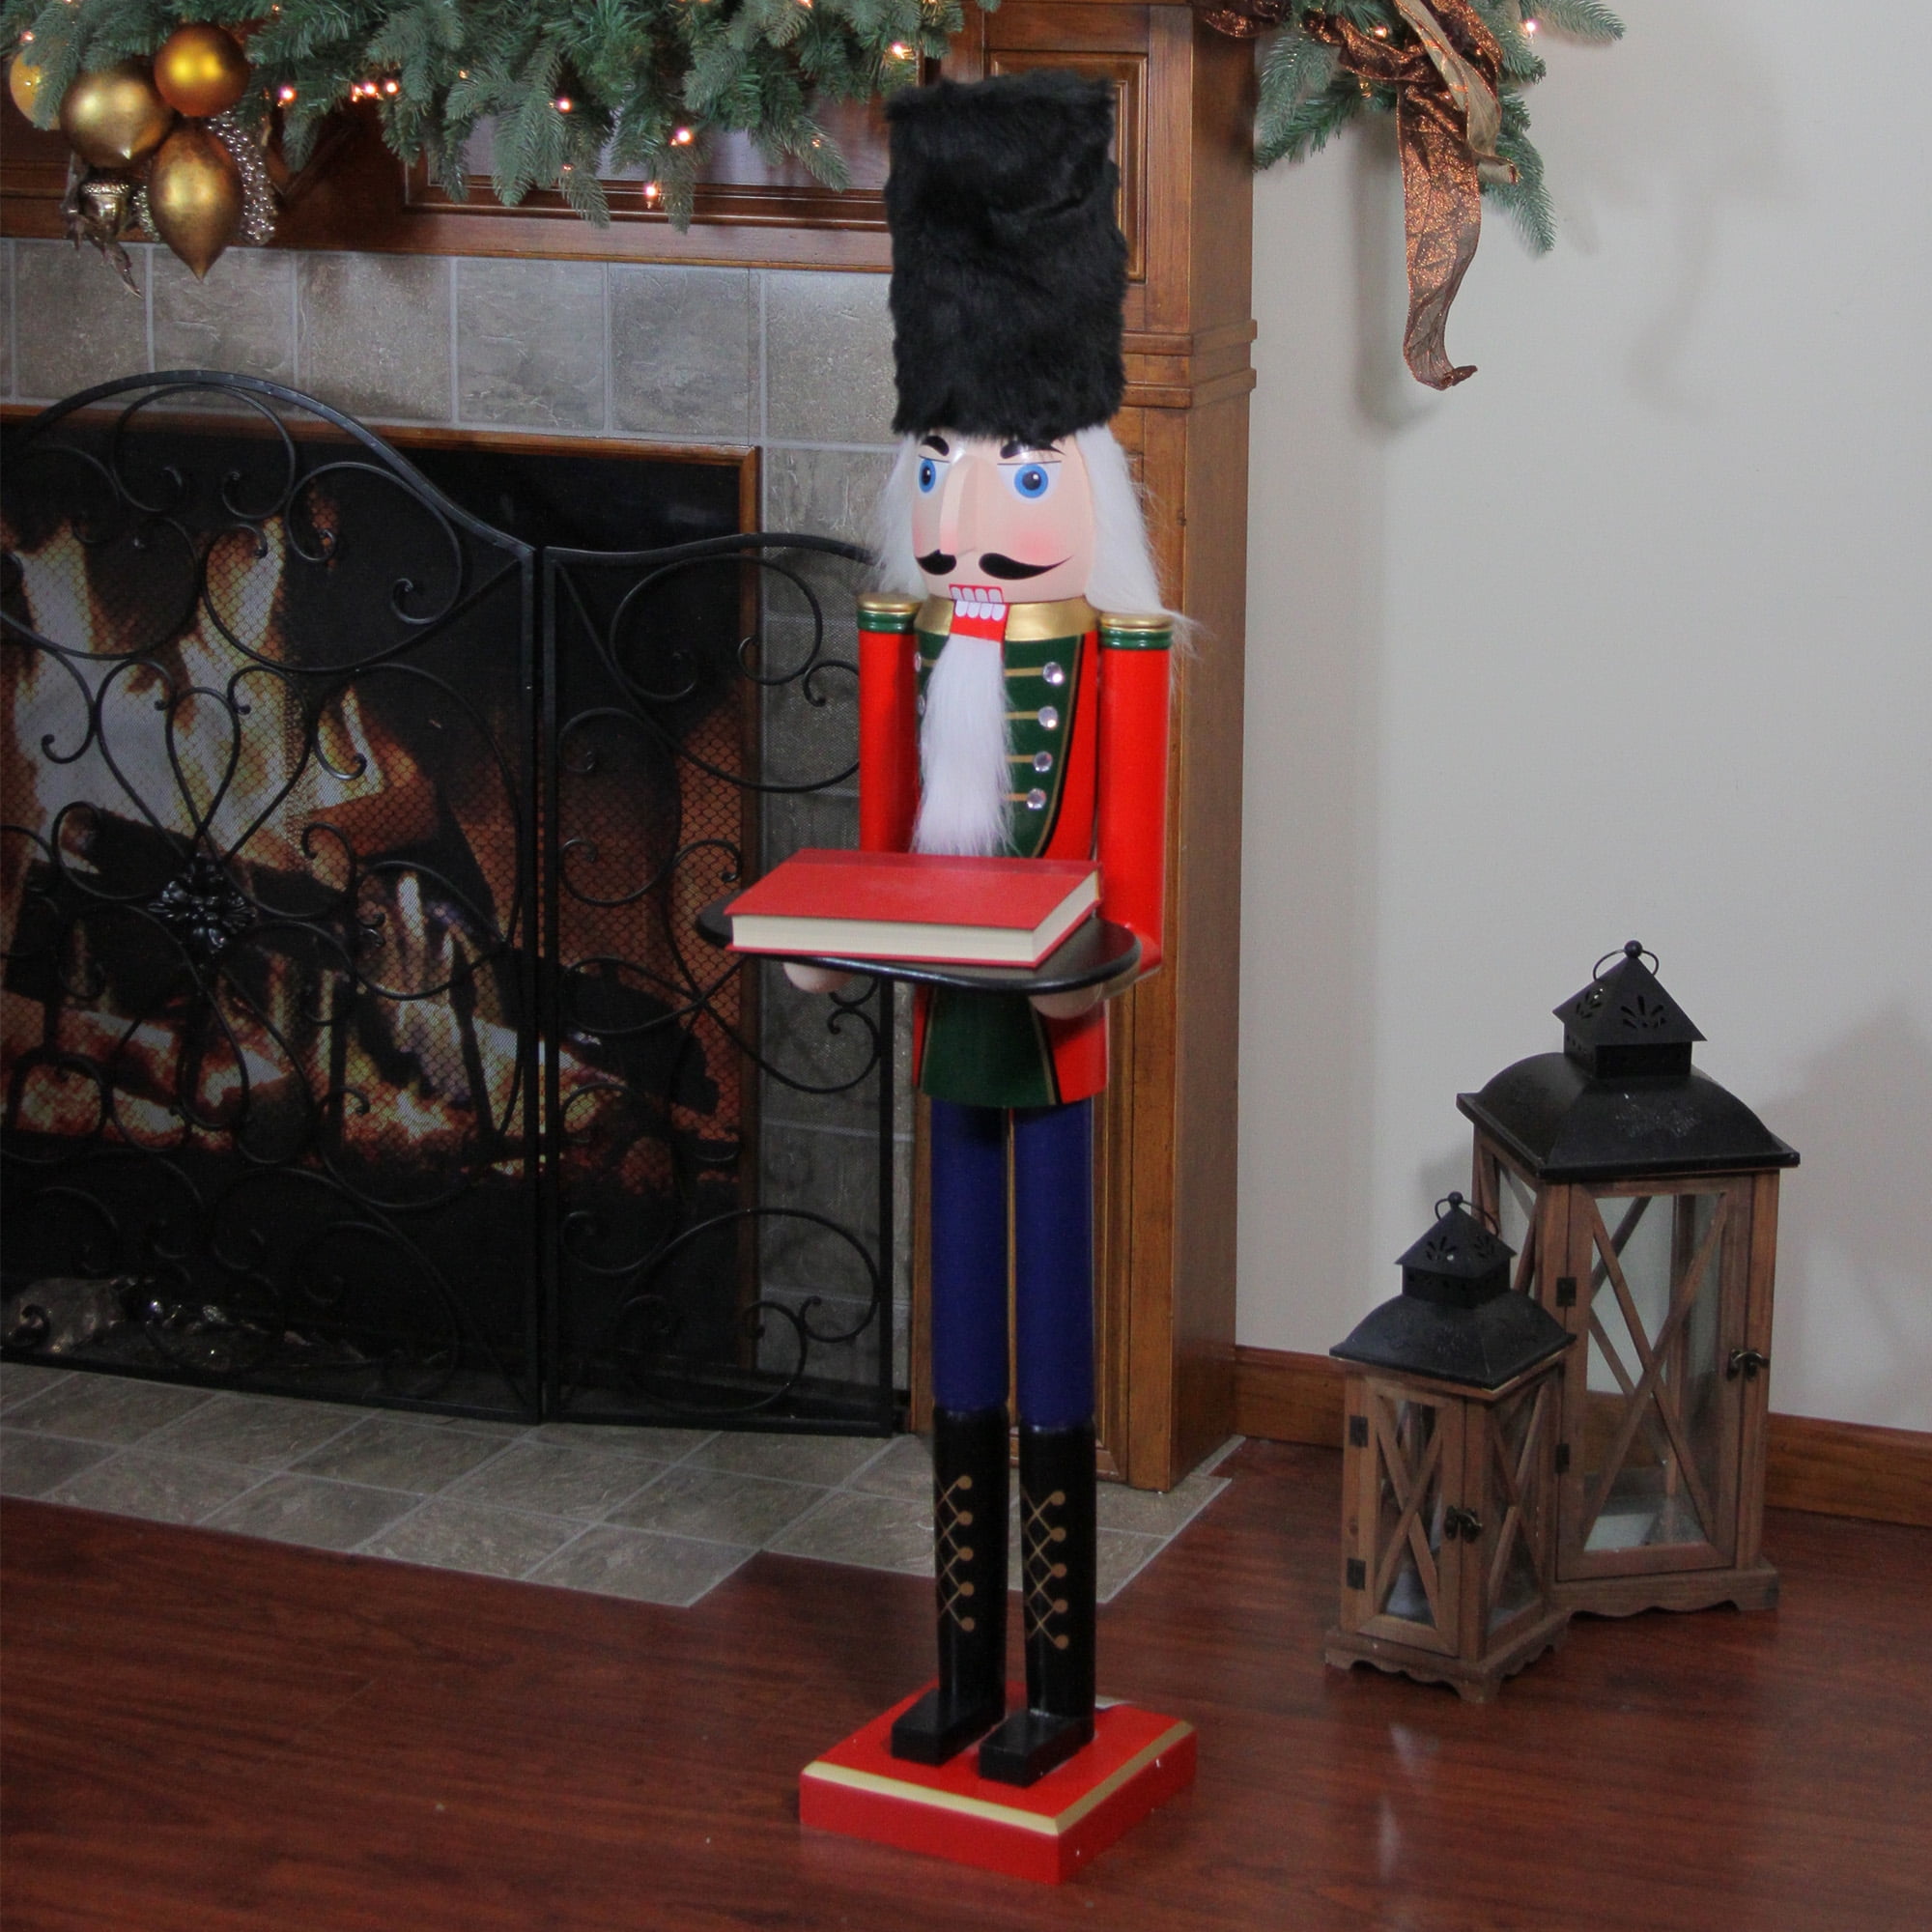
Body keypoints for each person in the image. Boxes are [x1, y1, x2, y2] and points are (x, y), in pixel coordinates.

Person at [801, 69, 1177, 1788]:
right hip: (948, 1019)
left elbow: (1135, 870)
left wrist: (1107, 955)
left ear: (1083, 478)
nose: (967, 523)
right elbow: (881, 835)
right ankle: (963, 1666)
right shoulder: (907, 644)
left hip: (1058, 1025)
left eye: (1017, 475)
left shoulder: (1120, 653)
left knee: (1050, 1339)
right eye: (945, 472)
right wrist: (837, 934)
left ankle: (1064, 1689)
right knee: (958, 1333)